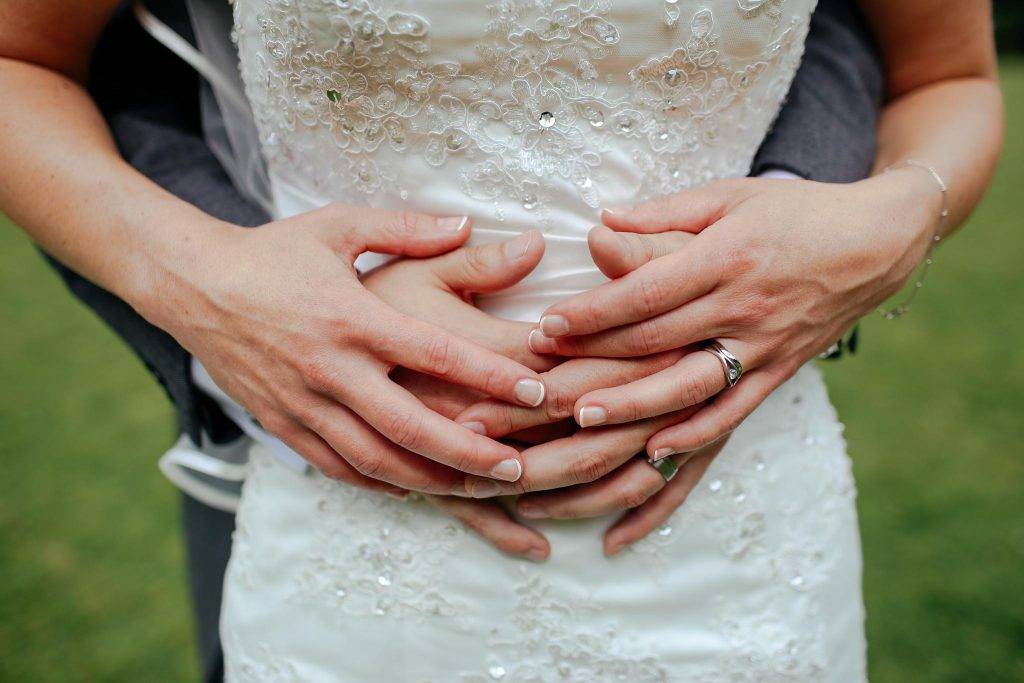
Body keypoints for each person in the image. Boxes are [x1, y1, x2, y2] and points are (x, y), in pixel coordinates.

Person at [0, 0, 1001, 680]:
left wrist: (898, 213)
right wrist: (219, 287)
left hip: (744, 535)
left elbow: (946, 76)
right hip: (357, 538)